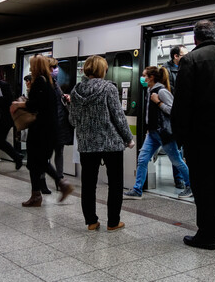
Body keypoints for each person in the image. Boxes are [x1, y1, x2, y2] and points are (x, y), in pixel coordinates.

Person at [171, 20, 215, 250]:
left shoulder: (190, 60)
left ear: (195, 38)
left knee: (203, 183)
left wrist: (180, 135)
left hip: (201, 134)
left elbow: (182, 102)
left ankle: (206, 234)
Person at [69, 55, 135, 231]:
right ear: (102, 70)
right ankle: (113, 222)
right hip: (111, 144)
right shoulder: (108, 88)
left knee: (88, 184)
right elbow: (118, 117)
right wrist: (128, 138)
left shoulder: (76, 91)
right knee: (115, 183)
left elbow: (72, 120)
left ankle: (91, 221)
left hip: (87, 144)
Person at [10, 54, 74, 207]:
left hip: (40, 130)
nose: (31, 67)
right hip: (49, 129)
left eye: (32, 65)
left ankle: (58, 185)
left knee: (36, 161)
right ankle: (38, 194)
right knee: (35, 162)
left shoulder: (39, 81)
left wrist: (19, 105)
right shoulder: (51, 82)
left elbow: (35, 105)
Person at [124, 66, 190, 199]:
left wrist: (158, 102)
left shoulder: (161, 91)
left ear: (151, 77)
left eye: (144, 75)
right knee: (142, 159)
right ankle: (137, 190)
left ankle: (191, 186)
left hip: (164, 134)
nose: (142, 78)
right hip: (152, 133)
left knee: (176, 161)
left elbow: (174, 111)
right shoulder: (150, 90)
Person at [39, 58, 74, 194]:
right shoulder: (44, 83)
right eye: (52, 68)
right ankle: (44, 181)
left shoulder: (54, 83)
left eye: (56, 68)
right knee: (45, 155)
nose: (55, 70)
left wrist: (65, 97)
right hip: (51, 124)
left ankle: (59, 179)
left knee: (58, 152)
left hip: (59, 124)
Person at [163, 45, 189, 189]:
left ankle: (186, 178)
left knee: (181, 150)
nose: (187, 56)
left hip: (184, 113)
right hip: (173, 114)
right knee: (176, 150)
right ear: (176, 56)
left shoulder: (185, 67)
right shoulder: (166, 71)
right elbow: (170, 92)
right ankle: (179, 178)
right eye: (184, 54)